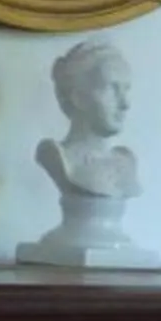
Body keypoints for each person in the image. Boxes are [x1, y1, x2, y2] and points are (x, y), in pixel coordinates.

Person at [38, 37, 138, 201]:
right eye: (112, 88)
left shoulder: (125, 162)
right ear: (78, 97)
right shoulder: (58, 156)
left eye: (126, 89)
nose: (125, 104)